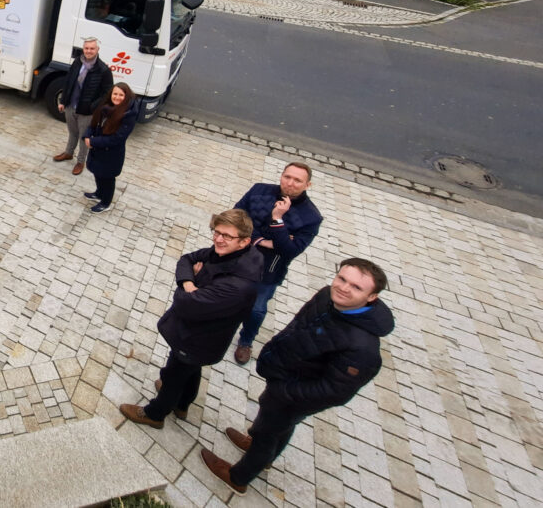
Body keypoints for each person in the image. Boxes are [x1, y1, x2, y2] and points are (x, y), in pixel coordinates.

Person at [201, 259, 395, 495]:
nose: (343, 288)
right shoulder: (326, 296)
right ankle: (263, 456)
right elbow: (297, 326)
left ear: (372, 296)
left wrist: (284, 392)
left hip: (294, 396)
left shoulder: (362, 349)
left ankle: (238, 477)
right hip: (284, 378)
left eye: (356, 287)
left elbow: (334, 393)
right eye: (342, 278)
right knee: (276, 429)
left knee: (267, 434)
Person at [119, 209, 262, 428]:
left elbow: (187, 304)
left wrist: (195, 280)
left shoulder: (238, 285)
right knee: (191, 369)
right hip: (200, 336)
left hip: (198, 338)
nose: (218, 239)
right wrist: (189, 283)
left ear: (244, 241)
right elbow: (188, 259)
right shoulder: (231, 253)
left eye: (227, 236)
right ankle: (182, 404)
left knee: (174, 375)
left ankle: (154, 414)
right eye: (217, 232)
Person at [232, 162, 323, 365]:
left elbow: (290, 250)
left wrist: (277, 219)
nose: (290, 183)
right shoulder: (259, 190)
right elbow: (236, 217)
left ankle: (246, 341)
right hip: (237, 257)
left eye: (297, 180)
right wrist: (263, 241)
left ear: (308, 185)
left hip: (268, 270)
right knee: (226, 294)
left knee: (256, 309)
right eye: (287, 177)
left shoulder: (311, 217)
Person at [54, 38, 112, 176]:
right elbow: (68, 81)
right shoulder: (77, 62)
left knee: (83, 137)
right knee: (72, 132)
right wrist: (63, 101)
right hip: (71, 105)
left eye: (92, 48)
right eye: (86, 48)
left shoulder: (103, 70)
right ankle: (68, 153)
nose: (89, 51)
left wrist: (93, 107)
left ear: (97, 50)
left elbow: (107, 93)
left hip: (87, 111)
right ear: (83, 49)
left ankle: (80, 161)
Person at [81, 82, 140, 213]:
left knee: (107, 178)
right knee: (98, 173)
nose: (117, 97)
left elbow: (117, 139)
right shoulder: (105, 107)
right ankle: (99, 193)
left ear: (126, 96)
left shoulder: (128, 115)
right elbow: (93, 124)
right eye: (115, 94)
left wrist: (93, 141)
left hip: (111, 154)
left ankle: (106, 202)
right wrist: (87, 136)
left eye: (121, 95)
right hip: (98, 149)